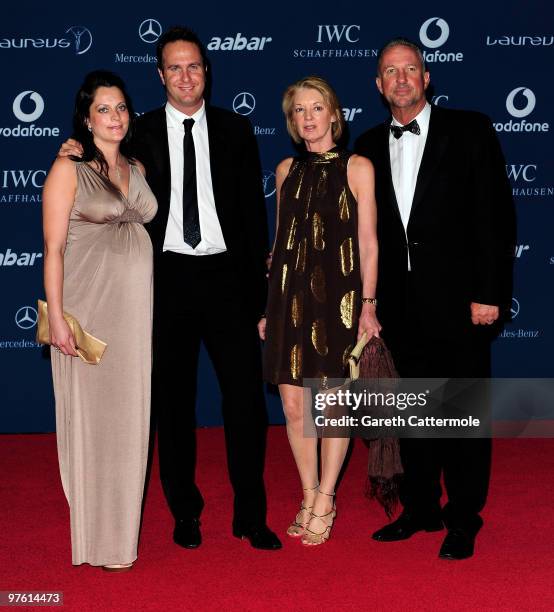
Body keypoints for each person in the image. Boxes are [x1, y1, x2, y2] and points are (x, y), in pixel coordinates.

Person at [59, 27, 280, 550]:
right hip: (164, 282)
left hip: (228, 279)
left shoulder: (236, 129)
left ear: (207, 71)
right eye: (174, 68)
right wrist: (73, 147)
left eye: (194, 66)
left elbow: (253, 219)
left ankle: (251, 515)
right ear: (160, 76)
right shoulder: (138, 133)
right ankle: (185, 512)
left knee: (245, 402)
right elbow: (97, 162)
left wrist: (261, 300)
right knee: (173, 405)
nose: (186, 76)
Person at [355, 38, 515, 559]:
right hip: (398, 307)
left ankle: (463, 517)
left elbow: (495, 216)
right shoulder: (365, 146)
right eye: (390, 72)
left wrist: (489, 293)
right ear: (379, 87)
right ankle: (420, 508)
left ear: (427, 78)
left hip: (460, 303)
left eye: (411, 69)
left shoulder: (471, 130)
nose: (401, 79)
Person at [43, 70, 157, 571]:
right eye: (104, 109)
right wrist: (61, 321)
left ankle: (120, 540)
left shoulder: (138, 167)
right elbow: (51, 251)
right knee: (94, 424)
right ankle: (95, 540)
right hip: (88, 313)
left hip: (134, 317)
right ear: (87, 119)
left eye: (121, 108)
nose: (114, 116)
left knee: (129, 421)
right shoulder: (68, 168)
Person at [260, 76, 381, 545]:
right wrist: (269, 304)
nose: (307, 117)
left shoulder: (359, 167)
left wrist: (368, 306)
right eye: (298, 111)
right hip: (290, 299)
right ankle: (308, 491)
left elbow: (369, 244)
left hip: (340, 299)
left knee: (329, 408)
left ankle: (328, 497)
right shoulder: (285, 169)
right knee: (294, 405)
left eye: (316, 108)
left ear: (335, 114)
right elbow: (278, 244)